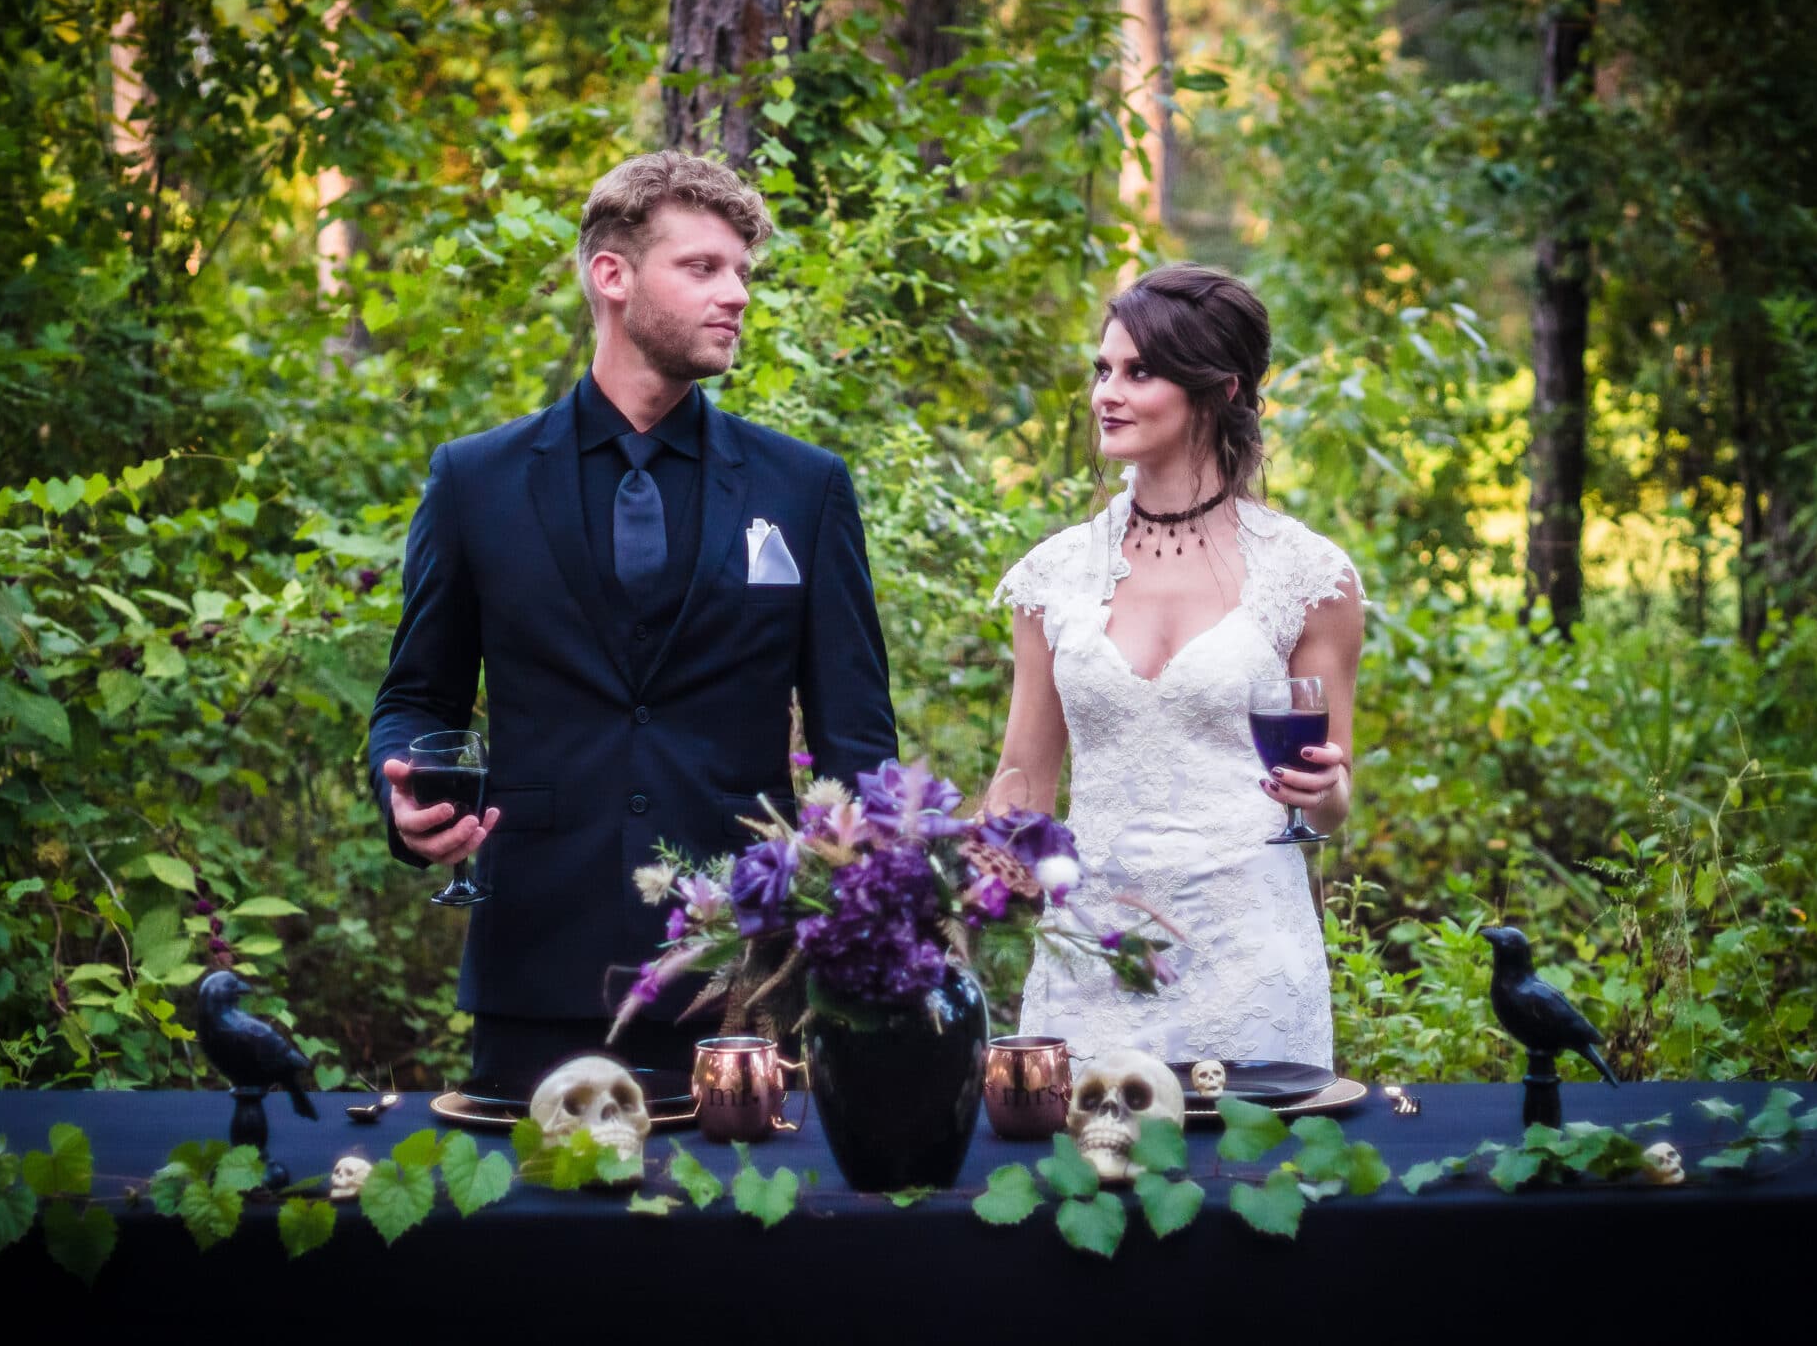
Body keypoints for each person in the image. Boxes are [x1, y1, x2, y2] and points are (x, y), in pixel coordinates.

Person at [368, 151, 898, 1089]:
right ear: (611, 276)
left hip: (745, 976)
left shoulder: (805, 488)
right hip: (537, 963)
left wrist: (871, 927)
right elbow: (417, 698)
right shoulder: (475, 481)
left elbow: (857, 741)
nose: (735, 292)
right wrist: (403, 792)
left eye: (742, 270)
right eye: (702, 267)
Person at [989, 264, 1363, 1068]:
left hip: (1250, 958)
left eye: (1139, 371)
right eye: (1102, 370)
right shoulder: (1052, 576)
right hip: (1091, 958)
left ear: (1220, 388)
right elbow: (1023, 780)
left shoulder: (1310, 575)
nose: (1105, 394)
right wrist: (981, 861)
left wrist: (1324, 790)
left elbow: (1333, 803)